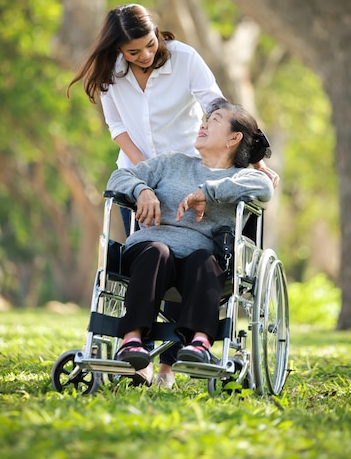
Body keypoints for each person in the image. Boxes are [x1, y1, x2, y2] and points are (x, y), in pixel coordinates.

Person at [67, 4, 278, 386]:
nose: (144, 55)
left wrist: (251, 159)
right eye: (134, 52)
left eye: (149, 45)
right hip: (148, 174)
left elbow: (216, 104)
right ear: (117, 50)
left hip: (194, 162)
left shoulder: (183, 59)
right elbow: (117, 128)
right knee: (155, 254)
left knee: (196, 261)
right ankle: (136, 350)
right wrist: (148, 180)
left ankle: (175, 360)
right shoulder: (110, 74)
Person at [106, 98, 274, 373]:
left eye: (214, 121)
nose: (203, 125)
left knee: (204, 261)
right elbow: (119, 178)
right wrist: (142, 191)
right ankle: (132, 341)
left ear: (234, 138)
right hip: (150, 251)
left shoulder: (240, 177)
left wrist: (207, 192)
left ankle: (199, 343)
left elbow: (264, 186)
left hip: (199, 259)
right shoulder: (172, 163)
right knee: (157, 251)